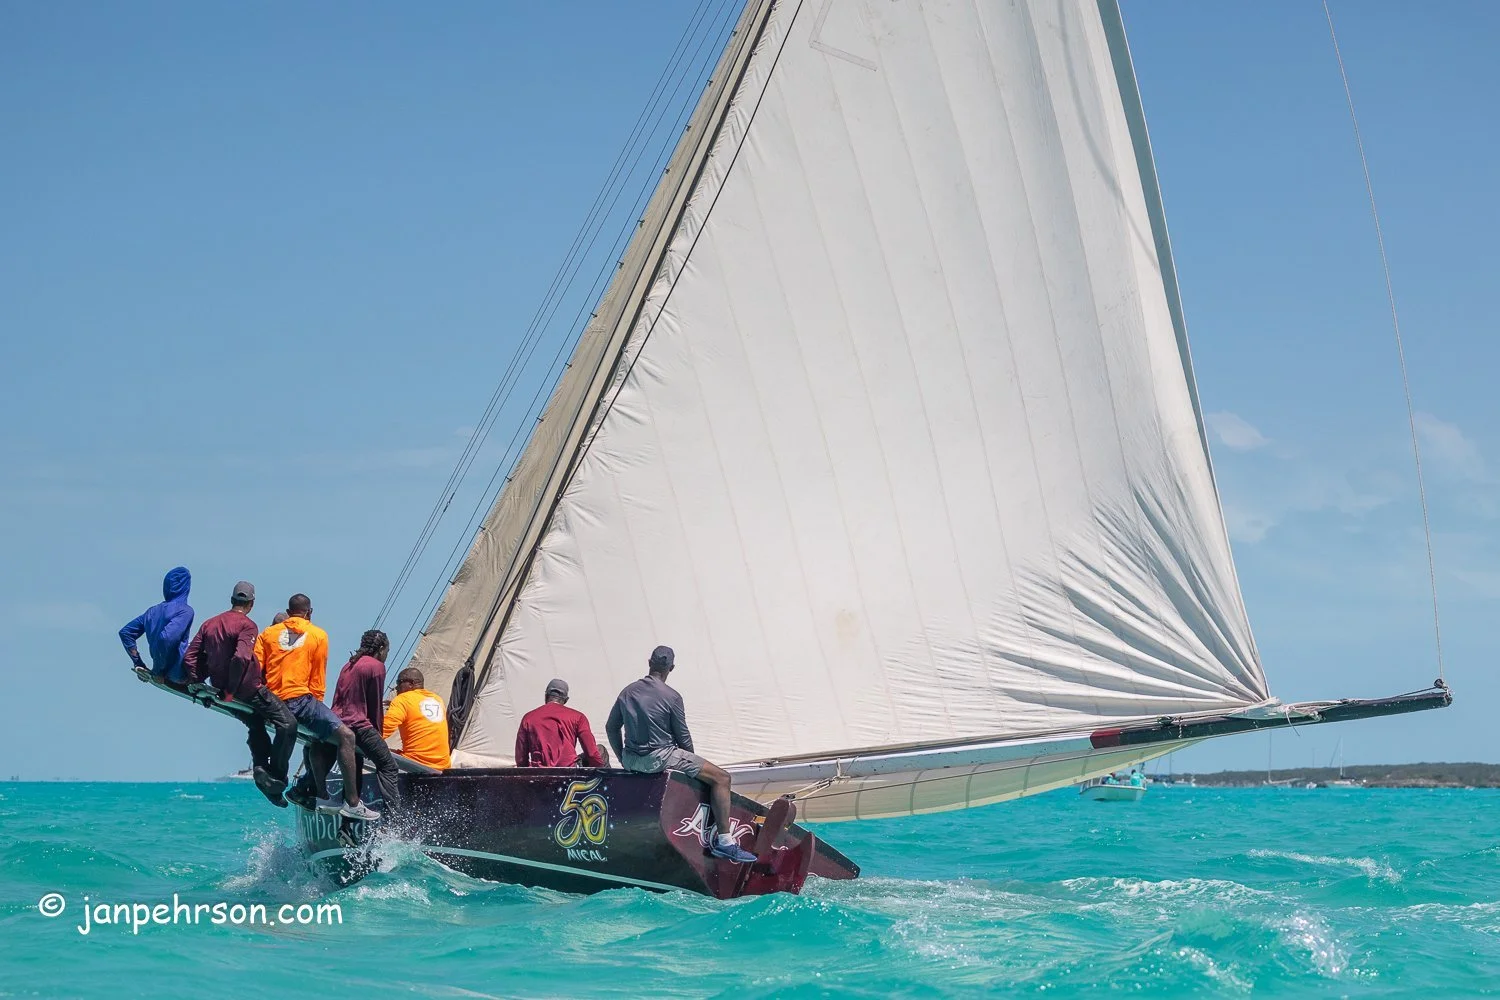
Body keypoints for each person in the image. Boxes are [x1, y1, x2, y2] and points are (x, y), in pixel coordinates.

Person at [606, 646, 757, 864]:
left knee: (691, 765)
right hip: (659, 757)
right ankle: (725, 842)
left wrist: (623, 758)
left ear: (649, 662)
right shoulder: (672, 696)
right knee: (722, 778)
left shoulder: (627, 692)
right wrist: (693, 769)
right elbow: (683, 737)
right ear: (672, 668)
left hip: (632, 760)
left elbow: (611, 727)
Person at [255, 594, 378, 821]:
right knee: (347, 737)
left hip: (273, 702)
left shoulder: (268, 634)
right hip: (302, 701)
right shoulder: (318, 634)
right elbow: (317, 678)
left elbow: (257, 670)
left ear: (288, 613)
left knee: (318, 740)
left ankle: (321, 795)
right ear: (309, 612)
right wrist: (318, 708)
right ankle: (352, 803)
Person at [182, 581, 297, 807]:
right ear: (251, 603)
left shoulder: (209, 624)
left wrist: (198, 682)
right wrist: (231, 690)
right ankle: (276, 777)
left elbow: (189, 657)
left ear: (232, 600)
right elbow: (241, 657)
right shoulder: (247, 625)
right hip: (247, 689)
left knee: (255, 723)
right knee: (288, 724)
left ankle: (261, 771)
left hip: (222, 690)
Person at [330, 629, 402, 810]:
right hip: (358, 725)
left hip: (338, 724)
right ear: (381, 648)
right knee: (388, 766)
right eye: (387, 651)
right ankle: (394, 818)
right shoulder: (376, 666)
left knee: (355, 766)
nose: (386, 656)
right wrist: (378, 735)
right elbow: (374, 704)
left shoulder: (349, 664)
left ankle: (348, 818)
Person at [119, 566, 194, 685]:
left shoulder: (151, 612)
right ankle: (221, 686)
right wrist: (158, 671)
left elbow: (125, 633)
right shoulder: (185, 611)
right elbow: (165, 639)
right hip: (178, 674)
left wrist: (138, 663)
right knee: (209, 640)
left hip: (162, 668)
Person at [515, 679, 608, 768]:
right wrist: (599, 769)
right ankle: (607, 778)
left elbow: (520, 757)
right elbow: (591, 753)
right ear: (566, 700)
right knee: (600, 749)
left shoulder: (528, 718)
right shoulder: (578, 717)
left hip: (540, 772)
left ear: (546, 696)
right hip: (568, 771)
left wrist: (528, 773)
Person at [383, 668, 451, 770]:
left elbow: (384, 729)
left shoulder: (402, 699)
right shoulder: (437, 700)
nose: (396, 687)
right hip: (442, 766)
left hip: (416, 764)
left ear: (411, 684)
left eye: (399, 682)